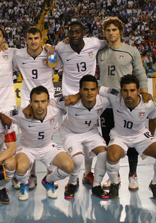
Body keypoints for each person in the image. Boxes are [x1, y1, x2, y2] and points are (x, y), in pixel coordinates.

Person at [50, 21, 108, 186]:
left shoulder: (94, 43)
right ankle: (70, 173)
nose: (74, 35)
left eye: (77, 32)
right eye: (71, 32)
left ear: (83, 32)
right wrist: (52, 49)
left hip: (88, 92)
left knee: (89, 130)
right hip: (70, 96)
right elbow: (53, 63)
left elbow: (108, 42)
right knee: (71, 129)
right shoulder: (62, 46)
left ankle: (88, 173)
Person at [97, 17, 148, 190]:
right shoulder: (101, 52)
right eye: (108, 30)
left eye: (114, 29)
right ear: (104, 33)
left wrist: (145, 91)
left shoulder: (131, 51)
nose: (111, 33)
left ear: (120, 31)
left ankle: (133, 175)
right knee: (108, 140)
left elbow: (140, 73)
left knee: (131, 140)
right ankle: (114, 176)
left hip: (126, 104)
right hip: (105, 105)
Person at [99, 75, 156, 200]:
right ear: (121, 91)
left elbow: (153, 119)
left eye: (132, 91)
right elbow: (97, 88)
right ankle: (115, 183)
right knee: (111, 156)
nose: (129, 94)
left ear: (138, 91)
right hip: (120, 135)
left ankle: (155, 184)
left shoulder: (148, 103)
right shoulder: (114, 96)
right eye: (125, 91)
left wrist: (151, 138)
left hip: (140, 135)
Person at [12, 26, 62, 191]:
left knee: (49, 133)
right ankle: (31, 175)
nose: (33, 42)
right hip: (27, 98)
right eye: (30, 38)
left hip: (47, 98)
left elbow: (54, 63)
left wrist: (51, 51)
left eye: (36, 38)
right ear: (25, 40)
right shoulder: (18, 54)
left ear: (42, 39)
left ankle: (49, 172)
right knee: (29, 136)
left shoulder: (49, 52)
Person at [12, 86, 74, 200]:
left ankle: (48, 181)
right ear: (30, 102)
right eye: (36, 102)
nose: (40, 105)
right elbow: (0, 115)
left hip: (47, 147)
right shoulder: (20, 114)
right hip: (27, 148)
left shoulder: (56, 111)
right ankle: (24, 183)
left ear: (49, 102)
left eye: (43, 101)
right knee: (19, 169)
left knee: (69, 166)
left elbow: (71, 99)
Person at [59, 75, 109, 199]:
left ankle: (96, 186)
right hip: (71, 132)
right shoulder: (69, 102)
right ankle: (72, 182)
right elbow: (49, 103)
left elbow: (119, 96)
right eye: (86, 89)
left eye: (93, 89)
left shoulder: (104, 102)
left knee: (104, 154)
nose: (90, 93)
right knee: (78, 159)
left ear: (97, 90)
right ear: (80, 90)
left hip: (90, 132)